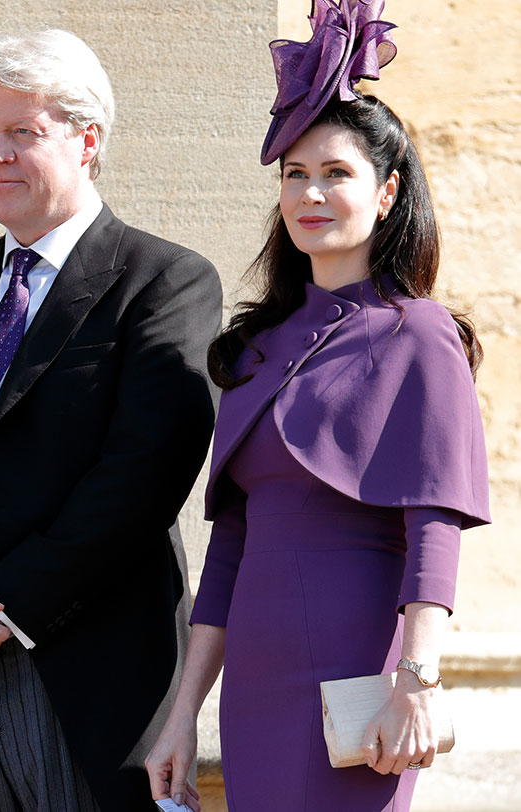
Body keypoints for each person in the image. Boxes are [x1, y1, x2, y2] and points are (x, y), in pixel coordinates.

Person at [0, 28, 222, 812]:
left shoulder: (165, 281)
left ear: (87, 139)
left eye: (22, 132)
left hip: (92, 686)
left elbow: (141, 479)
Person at [145, 2, 490, 810]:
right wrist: (182, 712)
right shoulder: (257, 348)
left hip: (359, 678)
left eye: (336, 173)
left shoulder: (420, 335)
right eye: (294, 174)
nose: (310, 193)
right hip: (255, 685)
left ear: (386, 192)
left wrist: (417, 677)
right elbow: (229, 545)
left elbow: (434, 525)